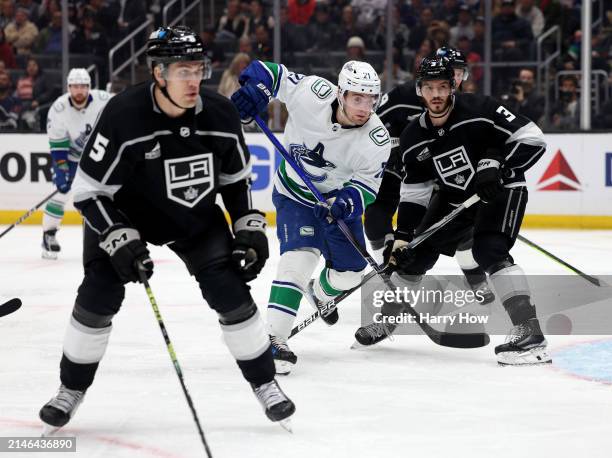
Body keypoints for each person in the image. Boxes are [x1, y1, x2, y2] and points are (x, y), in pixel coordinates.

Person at [39, 26, 295, 434]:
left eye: (199, 69)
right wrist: (118, 237)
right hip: (125, 215)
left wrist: (249, 227)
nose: (194, 80)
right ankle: (70, 390)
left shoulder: (220, 113)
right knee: (99, 293)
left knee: (229, 291)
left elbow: (234, 180)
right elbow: (88, 192)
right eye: (182, 71)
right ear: (158, 73)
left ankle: (265, 383)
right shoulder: (123, 115)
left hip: (191, 216)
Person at [355, 57, 550, 366]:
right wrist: (403, 238)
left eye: (443, 87)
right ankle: (387, 321)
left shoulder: (481, 108)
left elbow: (532, 138)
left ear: (453, 87)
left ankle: (530, 332)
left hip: (502, 190)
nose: (436, 94)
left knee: (489, 251)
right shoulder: (412, 136)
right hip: (455, 196)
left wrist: (498, 166)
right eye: (429, 87)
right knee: (414, 255)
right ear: (419, 90)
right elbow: (415, 192)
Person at [231, 59, 391, 374]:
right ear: (340, 93)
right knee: (299, 258)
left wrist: (344, 204)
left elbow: (367, 187)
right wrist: (256, 91)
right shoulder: (314, 92)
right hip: (293, 194)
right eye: (357, 98)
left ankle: (318, 293)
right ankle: (274, 339)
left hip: (336, 205)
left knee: (350, 274)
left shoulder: (377, 138)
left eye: (370, 99)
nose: (364, 107)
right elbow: (270, 73)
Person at [364, 47, 495, 304]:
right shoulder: (401, 98)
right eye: (452, 73)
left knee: (456, 226)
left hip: (434, 179)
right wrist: (393, 149)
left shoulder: (465, 107)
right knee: (376, 221)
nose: (455, 80)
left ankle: (475, 277)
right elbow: (369, 125)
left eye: (459, 74)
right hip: (395, 170)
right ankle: (388, 275)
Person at [41, 68, 111, 259]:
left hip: (98, 155)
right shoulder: (59, 109)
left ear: (89, 87)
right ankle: (49, 234)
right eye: (75, 87)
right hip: (70, 157)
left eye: (83, 86)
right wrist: (63, 169)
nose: (79, 91)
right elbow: (57, 144)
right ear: (68, 88)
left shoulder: (104, 100)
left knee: (103, 194)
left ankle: (106, 235)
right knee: (61, 192)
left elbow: (119, 117)